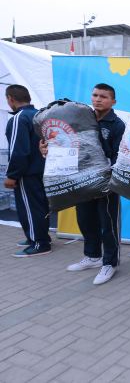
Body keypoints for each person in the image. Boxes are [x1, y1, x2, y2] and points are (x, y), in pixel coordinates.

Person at [41, 84, 125, 284]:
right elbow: (66, 143)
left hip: (105, 184)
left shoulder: (117, 125)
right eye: (95, 95)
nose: (98, 99)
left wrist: (109, 179)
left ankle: (110, 263)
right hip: (81, 181)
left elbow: (119, 156)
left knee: (108, 225)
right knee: (86, 221)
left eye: (103, 96)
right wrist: (48, 150)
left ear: (113, 101)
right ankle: (93, 256)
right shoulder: (81, 118)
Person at [4, 84, 52, 257]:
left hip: (27, 172)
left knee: (30, 208)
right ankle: (40, 237)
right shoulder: (39, 115)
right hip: (42, 170)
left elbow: (18, 150)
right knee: (40, 206)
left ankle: (39, 242)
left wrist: (12, 175)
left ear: (10, 99)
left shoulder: (19, 118)